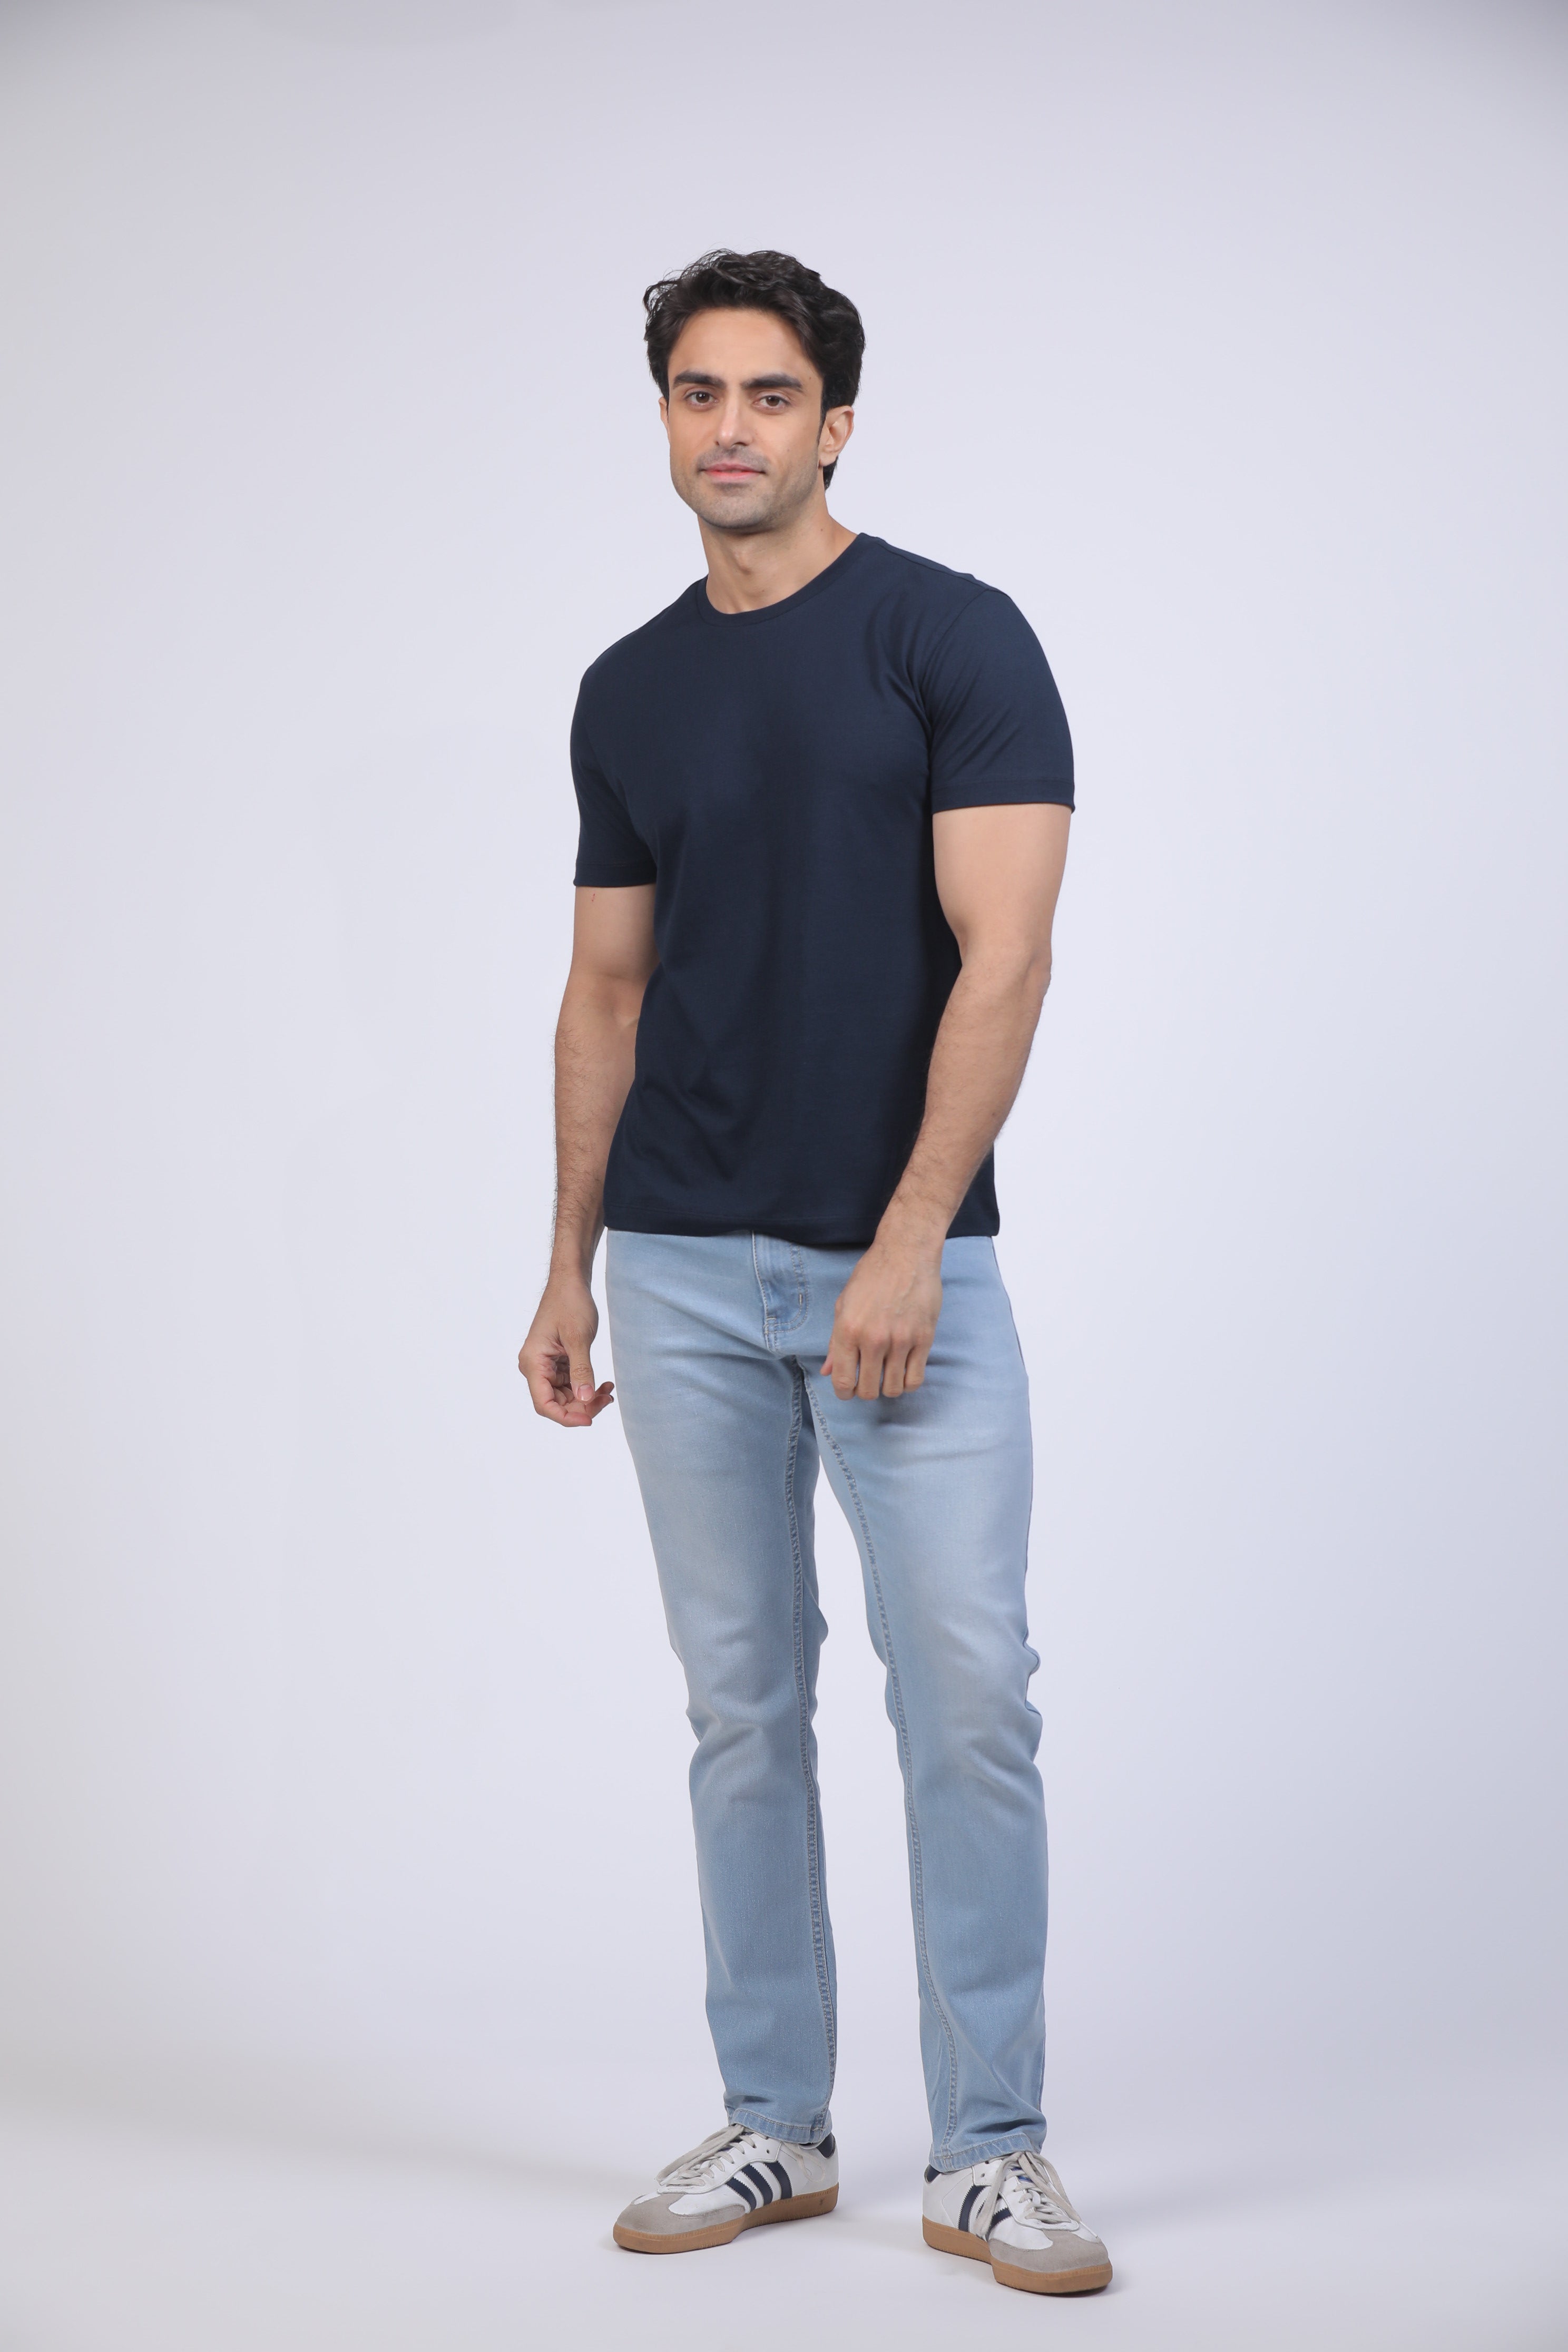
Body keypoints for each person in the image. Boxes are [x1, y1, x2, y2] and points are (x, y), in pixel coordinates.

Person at [518, 249, 1110, 2298]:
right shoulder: (630, 688)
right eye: (698, 392)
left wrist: (912, 1239)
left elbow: (1009, 956)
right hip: (678, 1267)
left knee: (969, 1697)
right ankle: (775, 2121)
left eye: (771, 394)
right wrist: (568, 1266)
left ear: (836, 422)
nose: (733, 427)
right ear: (666, 420)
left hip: (900, 1268)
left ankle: (991, 2154)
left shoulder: (951, 637)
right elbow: (606, 990)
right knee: (743, 1711)